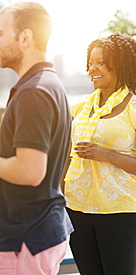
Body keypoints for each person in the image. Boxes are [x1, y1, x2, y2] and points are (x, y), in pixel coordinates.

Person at [0, 2, 73, 275]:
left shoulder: (33, 91)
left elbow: (30, 171)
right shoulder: (48, 83)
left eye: (0, 33)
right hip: (43, 228)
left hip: (28, 235)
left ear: (25, 38)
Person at [63, 33, 136, 275]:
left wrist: (106, 155)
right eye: (90, 63)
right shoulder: (82, 106)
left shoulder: (133, 106)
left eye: (101, 62)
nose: (92, 68)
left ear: (122, 64)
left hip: (120, 211)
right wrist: (57, 194)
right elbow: (64, 151)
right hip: (77, 208)